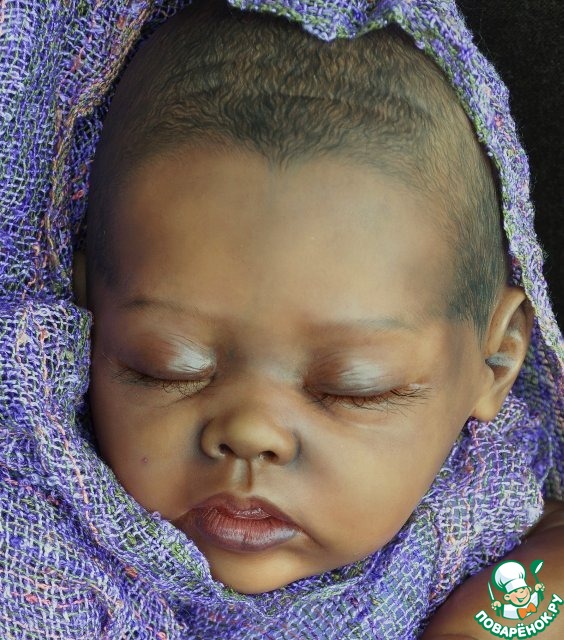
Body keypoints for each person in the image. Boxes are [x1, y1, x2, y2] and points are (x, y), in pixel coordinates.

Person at [0, 0, 562, 639]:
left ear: (496, 359)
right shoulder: (37, 542)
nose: (250, 433)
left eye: (354, 387)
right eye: (167, 365)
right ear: (81, 324)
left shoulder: (480, 504)